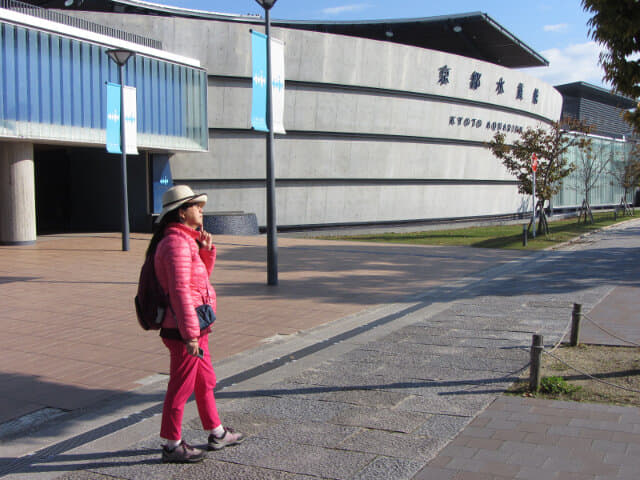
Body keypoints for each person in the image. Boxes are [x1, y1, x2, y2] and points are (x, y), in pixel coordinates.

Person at [145, 185, 245, 463]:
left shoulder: (185, 240)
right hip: (184, 330)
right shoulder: (175, 243)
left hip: (195, 327)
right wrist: (190, 335)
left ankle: (217, 432)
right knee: (181, 385)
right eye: (196, 206)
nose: (201, 210)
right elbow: (179, 291)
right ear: (181, 212)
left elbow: (199, 283)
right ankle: (171, 443)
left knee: (205, 381)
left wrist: (206, 251)